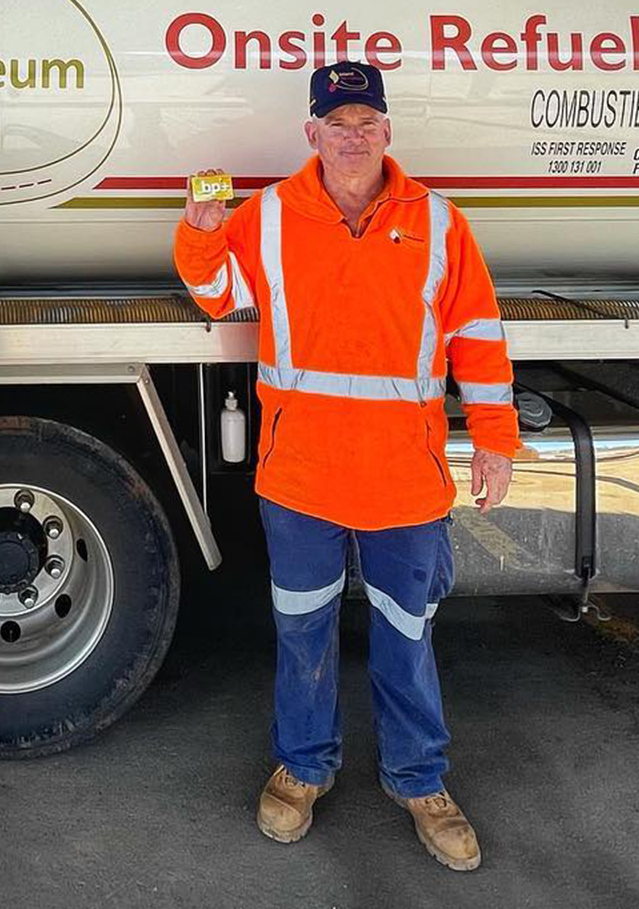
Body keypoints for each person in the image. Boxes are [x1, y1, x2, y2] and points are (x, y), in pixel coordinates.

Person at [173, 61, 518, 873]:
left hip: (404, 478)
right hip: (302, 476)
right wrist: (198, 228)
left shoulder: (439, 222)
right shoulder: (266, 217)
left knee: (408, 638)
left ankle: (420, 781)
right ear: (312, 134)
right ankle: (303, 769)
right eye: (338, 123)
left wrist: (496, 437)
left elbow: (477, 333)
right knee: (303, 635)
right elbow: (218, 294)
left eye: (367, 122)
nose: (353, 137)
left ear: (388, 130)